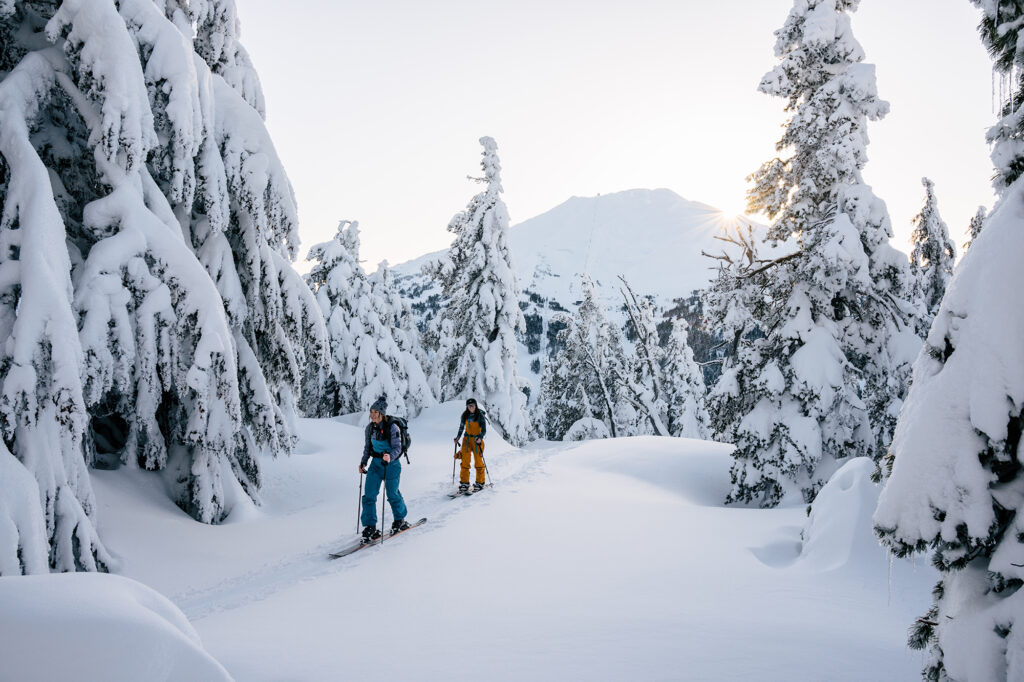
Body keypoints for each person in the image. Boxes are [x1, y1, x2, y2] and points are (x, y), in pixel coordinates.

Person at [359, 398, 409, 541]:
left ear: (382, 413)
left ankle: (400, 520)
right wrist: (363, 462)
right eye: (371, 412)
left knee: (392, 494)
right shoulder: (369, 428)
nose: (372, 415)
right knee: (369, 495)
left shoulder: (392, 427)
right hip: (375, 465)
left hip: (391, 465)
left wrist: (390, 456)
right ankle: (370, 526)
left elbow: (397, 447)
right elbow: (368, 448)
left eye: (375, 412)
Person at [454, 398, 487, 493]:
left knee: (478, 461)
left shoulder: (480, 416)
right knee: (465, 460)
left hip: (477, 440)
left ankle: (480, 482)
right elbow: (461, 428)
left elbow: (484, 430)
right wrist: (457, 438)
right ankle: (464, 483)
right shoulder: (465, 415)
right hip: (467, 440)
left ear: (475, 406)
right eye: (469, 406)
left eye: (472, 405)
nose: (471, 407)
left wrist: (480, 437)